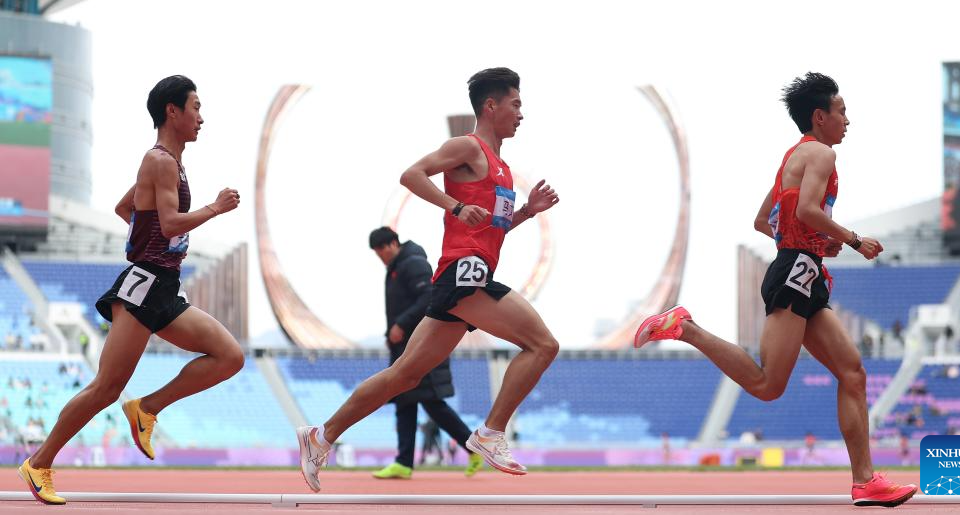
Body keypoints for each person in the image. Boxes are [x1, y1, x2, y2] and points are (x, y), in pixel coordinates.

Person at [634, 73, 917, 508]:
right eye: (841, 111)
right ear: (819, 116)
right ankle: (685, 327)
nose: (847, 120)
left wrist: (814, 245)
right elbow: (804, 209)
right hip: (794, 273)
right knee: (769, 386)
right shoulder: (821, 154)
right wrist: (852, 239)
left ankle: (865, 481)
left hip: (803, 269)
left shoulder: (794, 157)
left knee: (852, 372)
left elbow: (765, 219)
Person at [296, 67, 560, 492]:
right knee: (543, 345)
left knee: (404, 376)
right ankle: (490, 433)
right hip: (463, 272)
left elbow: (492, 229)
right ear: (491, 106)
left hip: (467, 274)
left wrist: (527, 212)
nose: (521, 115)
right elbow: (411, 175)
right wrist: (453, 206)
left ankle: (319, 436)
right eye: (516, 105)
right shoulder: (466, 147)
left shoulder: (503, 170)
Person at [17, 75, 244, 505]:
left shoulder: (171, 163)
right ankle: (38, 462)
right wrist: (214, 208)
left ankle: (147, 409)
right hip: (144, 287)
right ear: (171, 112)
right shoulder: (158, 160)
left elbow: (128, 209)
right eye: (195, 106)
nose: (202, 117)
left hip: (164, 286)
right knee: (106, 386)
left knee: (230, 356)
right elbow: (171, 222)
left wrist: (148, 241)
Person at [367, 227, 483, 479]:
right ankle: (403, 462)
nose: (381, 257)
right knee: (403, 400)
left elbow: (429, 298)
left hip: (422, 345)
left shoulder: (413, 263)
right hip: (406, 347)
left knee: (432, 402)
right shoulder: (397, 268)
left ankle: (473, 447)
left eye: (381, 251)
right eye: (376, 253)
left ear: (393, 244)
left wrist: (401, 324)